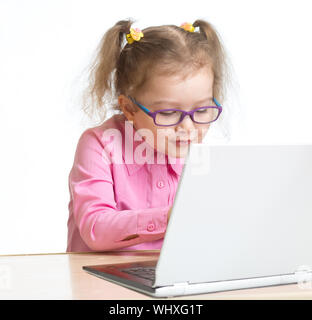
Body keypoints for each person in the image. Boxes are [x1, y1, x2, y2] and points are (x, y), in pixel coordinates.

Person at [66, 19, 230, 252]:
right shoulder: (99, 145)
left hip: (163, 278)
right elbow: (95, 228)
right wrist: (169, 217)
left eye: (202, 110)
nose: (188, 127)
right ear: (129, 108)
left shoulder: (191, 150)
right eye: (169, 113)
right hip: (97, 281)